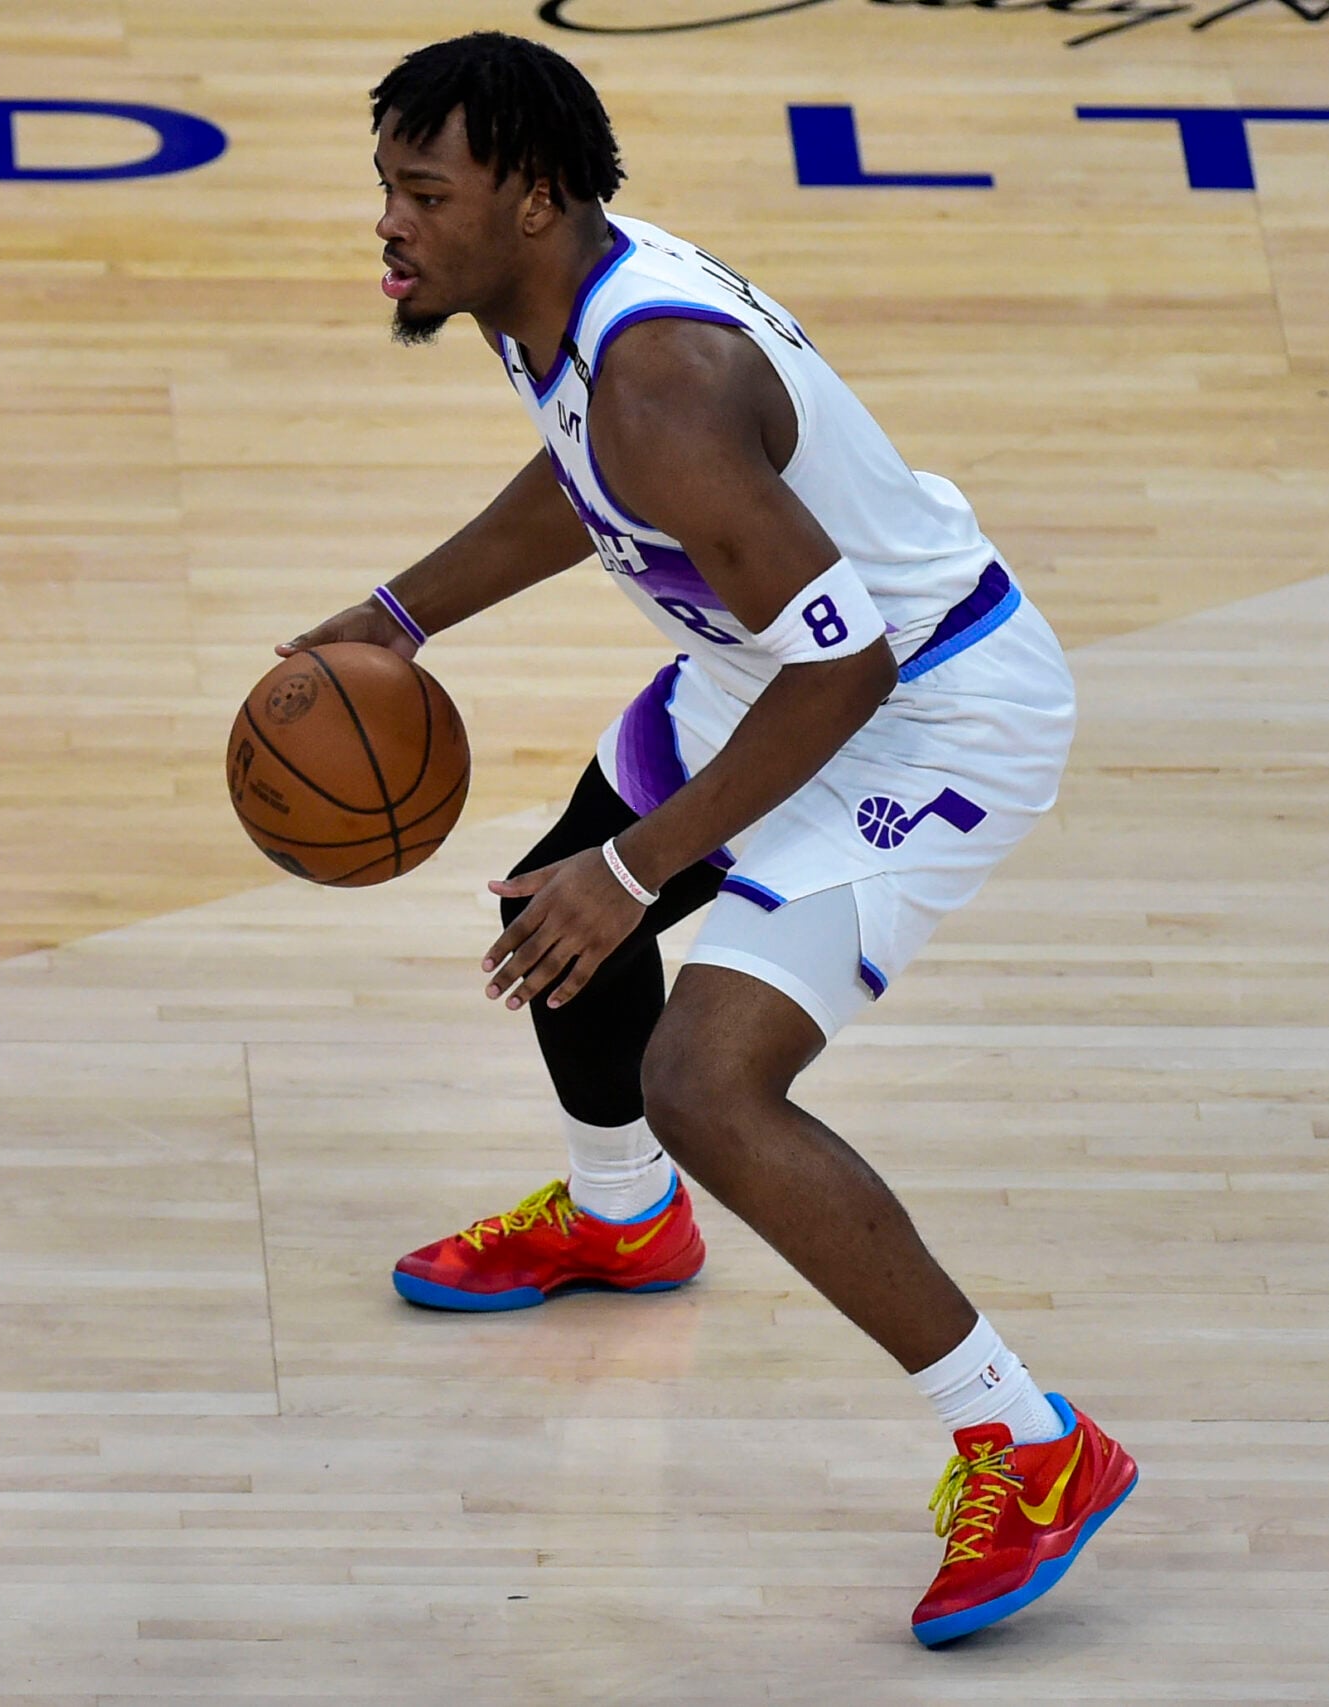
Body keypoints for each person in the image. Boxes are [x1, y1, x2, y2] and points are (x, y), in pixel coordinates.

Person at [281, 31, 1135, 1646]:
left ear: (528, 200)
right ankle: (623, 1222)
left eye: (419, 191)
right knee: (556, 917)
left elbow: (849, 664)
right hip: (773, 669)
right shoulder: (553, 307)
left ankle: (1032, 1442)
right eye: (384, 187)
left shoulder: (662, 376)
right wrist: (398, 617)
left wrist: (639, 867)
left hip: (928, 707)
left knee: (703, 1075)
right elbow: (590, 489)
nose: (387, 225)